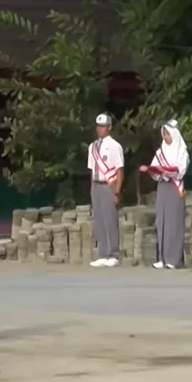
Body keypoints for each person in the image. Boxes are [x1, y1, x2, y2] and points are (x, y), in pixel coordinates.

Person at [140, 119, 189, 269]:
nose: (166, 137)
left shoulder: (182, 152)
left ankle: (173, 259)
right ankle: (162, 257)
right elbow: (155, 169)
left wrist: (165, 171)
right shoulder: (160, 152)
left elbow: (180, 172)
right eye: (164, 134)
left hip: (174, 188)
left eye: (168, 134)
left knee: (173, 222)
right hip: (162, 187)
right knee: (161, 221)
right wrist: (150, 170)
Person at [88, 113, 124, 268]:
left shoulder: (115, 146)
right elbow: (92, 169)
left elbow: (120, 170)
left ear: (109, 128)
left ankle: (113, 253)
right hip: (97, 184)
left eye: (103, 126)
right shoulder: (92, 147)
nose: (99, 129)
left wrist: (116, 191)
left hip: (109, 184)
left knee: (110, 219)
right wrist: (91, 188)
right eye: (98, 126)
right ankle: (102, 253)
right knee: (99, 219)